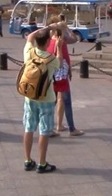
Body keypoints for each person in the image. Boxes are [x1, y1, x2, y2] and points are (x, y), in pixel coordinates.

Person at [22, 22, 62, 174]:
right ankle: (42, 163)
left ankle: (27, 160)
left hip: (29, 95)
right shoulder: (50, 59)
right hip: (46, 98)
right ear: (47, 43)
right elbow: (61, 63)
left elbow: (31, 36)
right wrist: (58, 46)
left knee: (28, 128)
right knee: (44, 131)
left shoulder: (29, 51)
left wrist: (46, 28)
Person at [45, 16, 83, 137]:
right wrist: (66, 27)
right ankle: (72, 129)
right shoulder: (60, 40)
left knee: (52, 102)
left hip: (53, 75)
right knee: (66, 101)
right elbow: (74, 39)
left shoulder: (49, 40)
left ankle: (49, 127)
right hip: (60, 75)